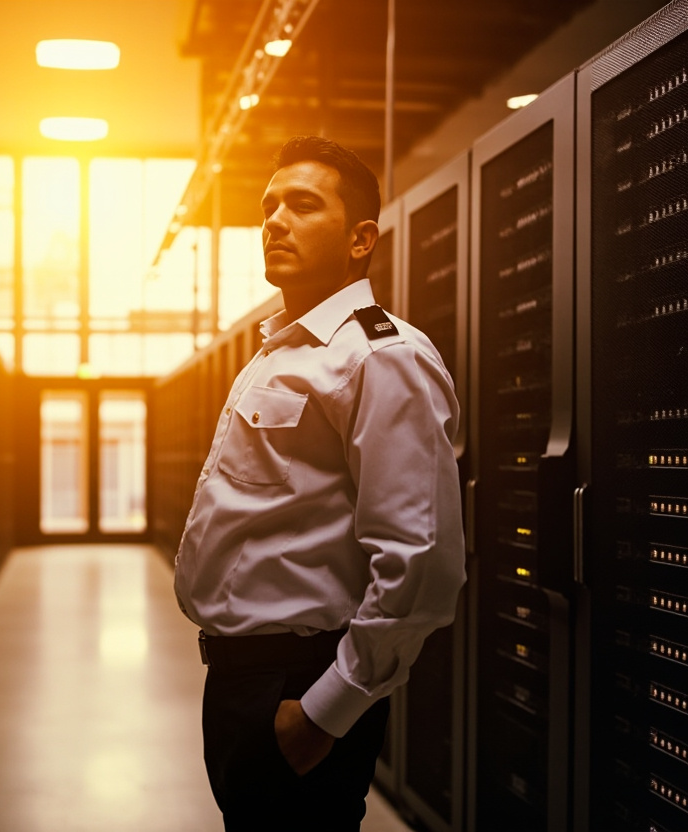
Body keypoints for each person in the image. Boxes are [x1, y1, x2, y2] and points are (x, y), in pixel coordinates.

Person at [174, 135, 467, 831]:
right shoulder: (285, 351)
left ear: (361, 238)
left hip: (299, 684)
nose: (274, 220)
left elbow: (420, 561)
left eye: (302, 205)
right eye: (268, 206)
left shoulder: (378, 356)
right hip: (244, 678)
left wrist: (326, 709)